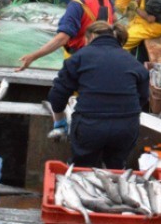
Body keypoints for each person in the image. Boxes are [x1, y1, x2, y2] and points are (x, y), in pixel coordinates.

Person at [47, 22, 150, 168]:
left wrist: (60, 121)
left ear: (91, 37)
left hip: (90, 126)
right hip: (126, 128)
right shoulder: (135, 63)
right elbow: (143, 98)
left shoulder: (79, 58)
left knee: (82, 170)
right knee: (116, 169)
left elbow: (57, 95)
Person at [17, 0, 114, 69]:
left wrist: (33, 56)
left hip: (81, 59)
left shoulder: (77, 4)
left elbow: (62, 38)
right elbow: (112, 17)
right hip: (105, 55)